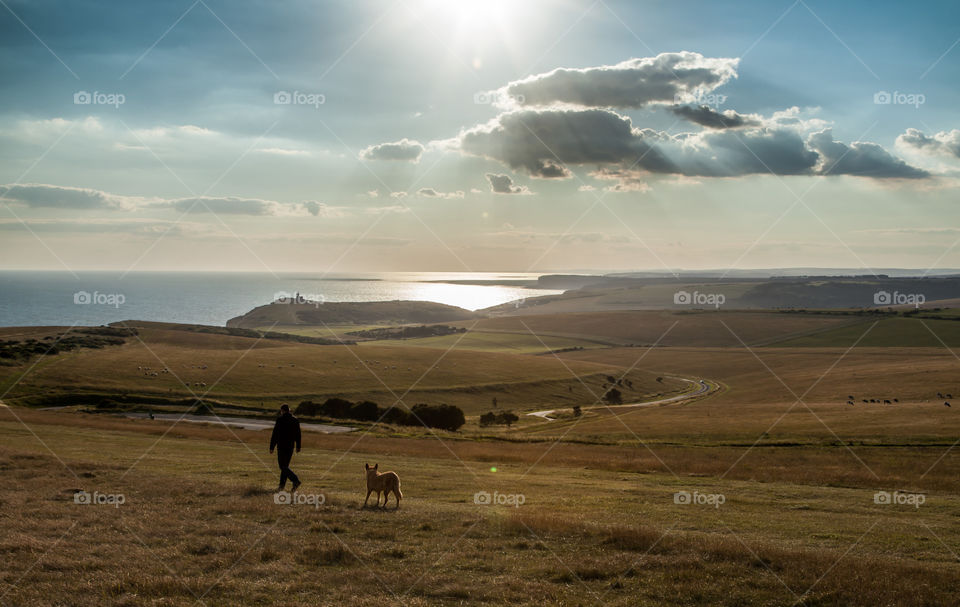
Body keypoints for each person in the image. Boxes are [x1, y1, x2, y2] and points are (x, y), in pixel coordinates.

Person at [269, 404, 301, 492]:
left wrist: (272, 446)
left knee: (282, 466)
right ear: (289, 410)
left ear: (282, 410)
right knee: (285, 466)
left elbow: (275, 434)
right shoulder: (295, 420)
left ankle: (295, 480)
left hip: (281, 446)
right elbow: (298, 435)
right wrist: (298, 446)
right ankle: (281, 486)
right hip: (290, 446)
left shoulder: (280, 419)